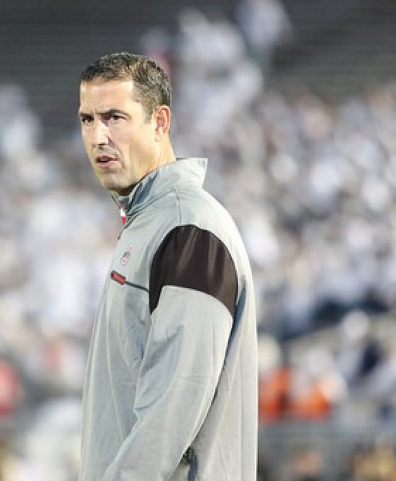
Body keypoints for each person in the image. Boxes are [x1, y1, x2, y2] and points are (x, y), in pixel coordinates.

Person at [77, 52, 258, 480]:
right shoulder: (153, 222)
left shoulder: (187, 228)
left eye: (114, 117)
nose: (98, 136)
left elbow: (174, 405)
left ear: (160, 121)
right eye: (87, 119)